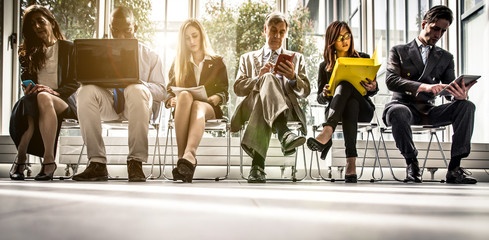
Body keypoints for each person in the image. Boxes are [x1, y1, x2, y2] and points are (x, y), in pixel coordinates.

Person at [383, 5, 477, 184]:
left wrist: (459, 95)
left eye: (443, 31)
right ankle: (412, 163)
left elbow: (449, 90)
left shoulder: (446, 58)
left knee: (467, 106)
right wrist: (424, 87)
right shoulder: (399, 51)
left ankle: (454, 169)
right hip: (401, 106)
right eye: (435, 28)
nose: (438, 34)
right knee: (398, 112)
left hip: (428, 111)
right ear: (425, 23)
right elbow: (391, 80)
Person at [73, 6, 166, 182]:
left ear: (135, 28)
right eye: (115, 31)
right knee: (85, 91)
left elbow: (162, 91)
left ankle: (135, 162)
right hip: (108, 104)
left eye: (127, 31)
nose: (121, 36)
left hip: (137, 108)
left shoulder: (151, 56)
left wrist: (141, 84)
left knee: (136, 90)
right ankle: (97, 163)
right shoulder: (97, 53)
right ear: (109, 28)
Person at [231, 12, 310, 183]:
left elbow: (306, 92)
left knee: (263, 102)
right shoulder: (247, 58)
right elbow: (238, 88)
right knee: (267, 78)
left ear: (285, 34)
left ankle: (257, 166)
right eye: (273, 30)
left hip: (286, 109)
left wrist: (293, 77)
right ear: (264, 30)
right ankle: (283, 132)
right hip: (250, 107)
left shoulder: (296, 59)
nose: (277, 36)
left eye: (282, 32)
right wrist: (258, 78)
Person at [9, 5, 79, 181]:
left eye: (40, 21)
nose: (37, 27)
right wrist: (29, 88)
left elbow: (75, 82)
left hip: (63, 100)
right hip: (36, 100)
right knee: (35, 100)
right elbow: (26, 81)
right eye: (32, 24)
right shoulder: (27, 52)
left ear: (52, 23)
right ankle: (46, 161)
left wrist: (54, 91)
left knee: (42, 98)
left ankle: (22, 159)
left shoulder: (70, 48)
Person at [306, 21, 378, 183]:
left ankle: (327, 131)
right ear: (332, 41)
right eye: (340, 38)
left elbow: (374, 90)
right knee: (350, 104)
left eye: (348, 36)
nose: (346, 41)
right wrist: (325, 93)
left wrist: (372, 87)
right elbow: (319, 98)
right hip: (337, 111)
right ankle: (350, 164)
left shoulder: (363, 58)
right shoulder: (324, 66)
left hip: (364, 110)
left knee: (346, 86)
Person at [165, 19, 228, 183]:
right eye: (187, 38)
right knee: (185, 95)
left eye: (194, 36)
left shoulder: (217, 61)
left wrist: (218, 97)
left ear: (201, 36)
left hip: (208, 107)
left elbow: (224, 90)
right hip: (184, 107)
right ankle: (183, 161)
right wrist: (170, 99)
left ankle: (190, 154)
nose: (191, 41)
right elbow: (169, 88)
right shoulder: (179, 62)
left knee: (198, 104)